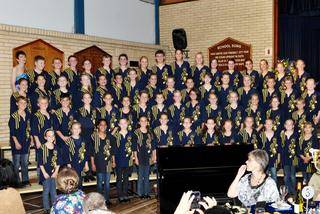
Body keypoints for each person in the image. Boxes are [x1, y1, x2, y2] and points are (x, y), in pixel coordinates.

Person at [8, 96, 32, 187]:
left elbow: (30, 129)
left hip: (26, 142)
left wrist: (32, 139)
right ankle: (16, 181)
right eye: (21, 103)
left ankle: (25, 180)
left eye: (25, 103)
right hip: (16, 142)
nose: (23, 104)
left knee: (25, 162)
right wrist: (16, 142)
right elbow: (12, 131)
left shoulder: (28, 114)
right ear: (17, 104)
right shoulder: (13, 116)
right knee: (16, 163)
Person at [90, 119, 115, 205]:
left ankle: (107, 199)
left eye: (104, 125)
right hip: (98, 162)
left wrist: (113, 161)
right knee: (100, 183)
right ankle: (99, 201)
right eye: (101, 124)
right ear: (98, 126)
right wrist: (93, 164)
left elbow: (112, 151)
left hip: (108, 163)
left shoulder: (110, 137)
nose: (103, 126)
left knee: (107, 184)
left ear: (107, 126)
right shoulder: (93, 137)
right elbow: (92, 152)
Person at [112, 118, 136, 202]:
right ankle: (120, 195)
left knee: (126, 178)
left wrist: (133, 157)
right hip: (118, 159)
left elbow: (133, 147)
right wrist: (114, 160)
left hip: (128, 159)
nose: (123, 125)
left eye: (125, 123)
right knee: (119, 178)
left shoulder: (131, 134)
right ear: (118, 124)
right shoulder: (116, 135)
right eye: (121, 123)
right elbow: (113, 148)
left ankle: (125, 194)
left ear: (127, 124)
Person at [133, 116, 156, 198]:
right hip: (140, 156)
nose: (143, 122)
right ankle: (140, 194)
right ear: (139, 122)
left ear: (147, 122)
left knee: (146, 176)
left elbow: (153, 145)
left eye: (145, 121)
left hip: (148, 156)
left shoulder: (150, 132)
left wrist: (154, 156)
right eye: (141, 121)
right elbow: (134, 147)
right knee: (140, 176)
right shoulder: (136, 132)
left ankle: (146, 193)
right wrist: (135, 157)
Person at [38, 129, 60, 213]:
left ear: (54, 137)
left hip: (54, 173)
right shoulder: (42, 148)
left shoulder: (56, 148)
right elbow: (40, 163)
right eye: (49, 136)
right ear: (45, 137)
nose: (51, 137)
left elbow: (59, 162)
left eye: (52, 136)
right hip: (45, 173)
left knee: (54, 191)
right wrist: (44, 173)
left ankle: (54, 207)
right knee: (46, 191)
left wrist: (56, 172)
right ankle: (46, 209)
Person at [65, 122, 89, 188]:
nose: (76, 130)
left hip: (82, 164)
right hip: (73, 164)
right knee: (73, 182)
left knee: (80, 182)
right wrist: (68, 165)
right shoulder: (68, 141)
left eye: (78, 128)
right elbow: (66, 154)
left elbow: (86, 153)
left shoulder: (83, 140)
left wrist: (86, 164)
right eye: (74, 128)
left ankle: (79, 197)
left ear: (80, 130)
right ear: (71, 130)